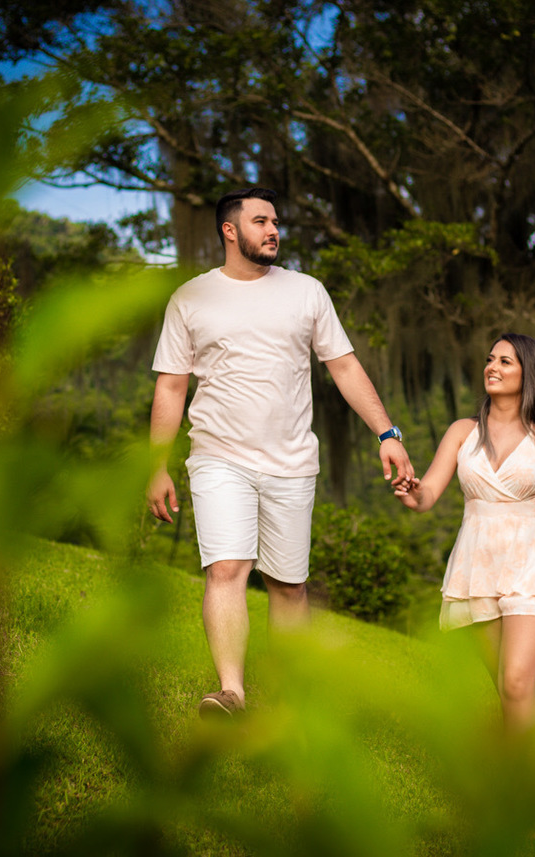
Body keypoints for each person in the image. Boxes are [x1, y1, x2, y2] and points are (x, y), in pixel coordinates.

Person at [146, 187, 413, 718]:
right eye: (261, 221)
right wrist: (156, 465)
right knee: (227, 568)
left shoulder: (306, 292)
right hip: (218, 456)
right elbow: (172, 386)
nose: (273, 231)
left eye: (275, 222)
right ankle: (231, 693)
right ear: (230, 230)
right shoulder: (191, 298)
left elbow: (344, 367)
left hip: (292, 462)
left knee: (289, 585)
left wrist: (388, 434)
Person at [394, 333, 535, 735]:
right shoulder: (462, 431)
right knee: (507, 692)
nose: (492, 367)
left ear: (529, 373)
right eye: (490, 359)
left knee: (517, 682)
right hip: (477, 565)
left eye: (505, 361)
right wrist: (412, 493)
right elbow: (427, 495)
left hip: (531, 564)